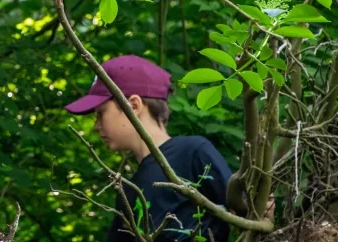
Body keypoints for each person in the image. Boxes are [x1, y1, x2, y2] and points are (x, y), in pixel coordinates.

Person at [65, 55, 232, 242]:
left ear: (134, 105)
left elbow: (245, 212)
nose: (96, 126)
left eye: (101, 113)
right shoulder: (129, 191)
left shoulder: (193, 152)